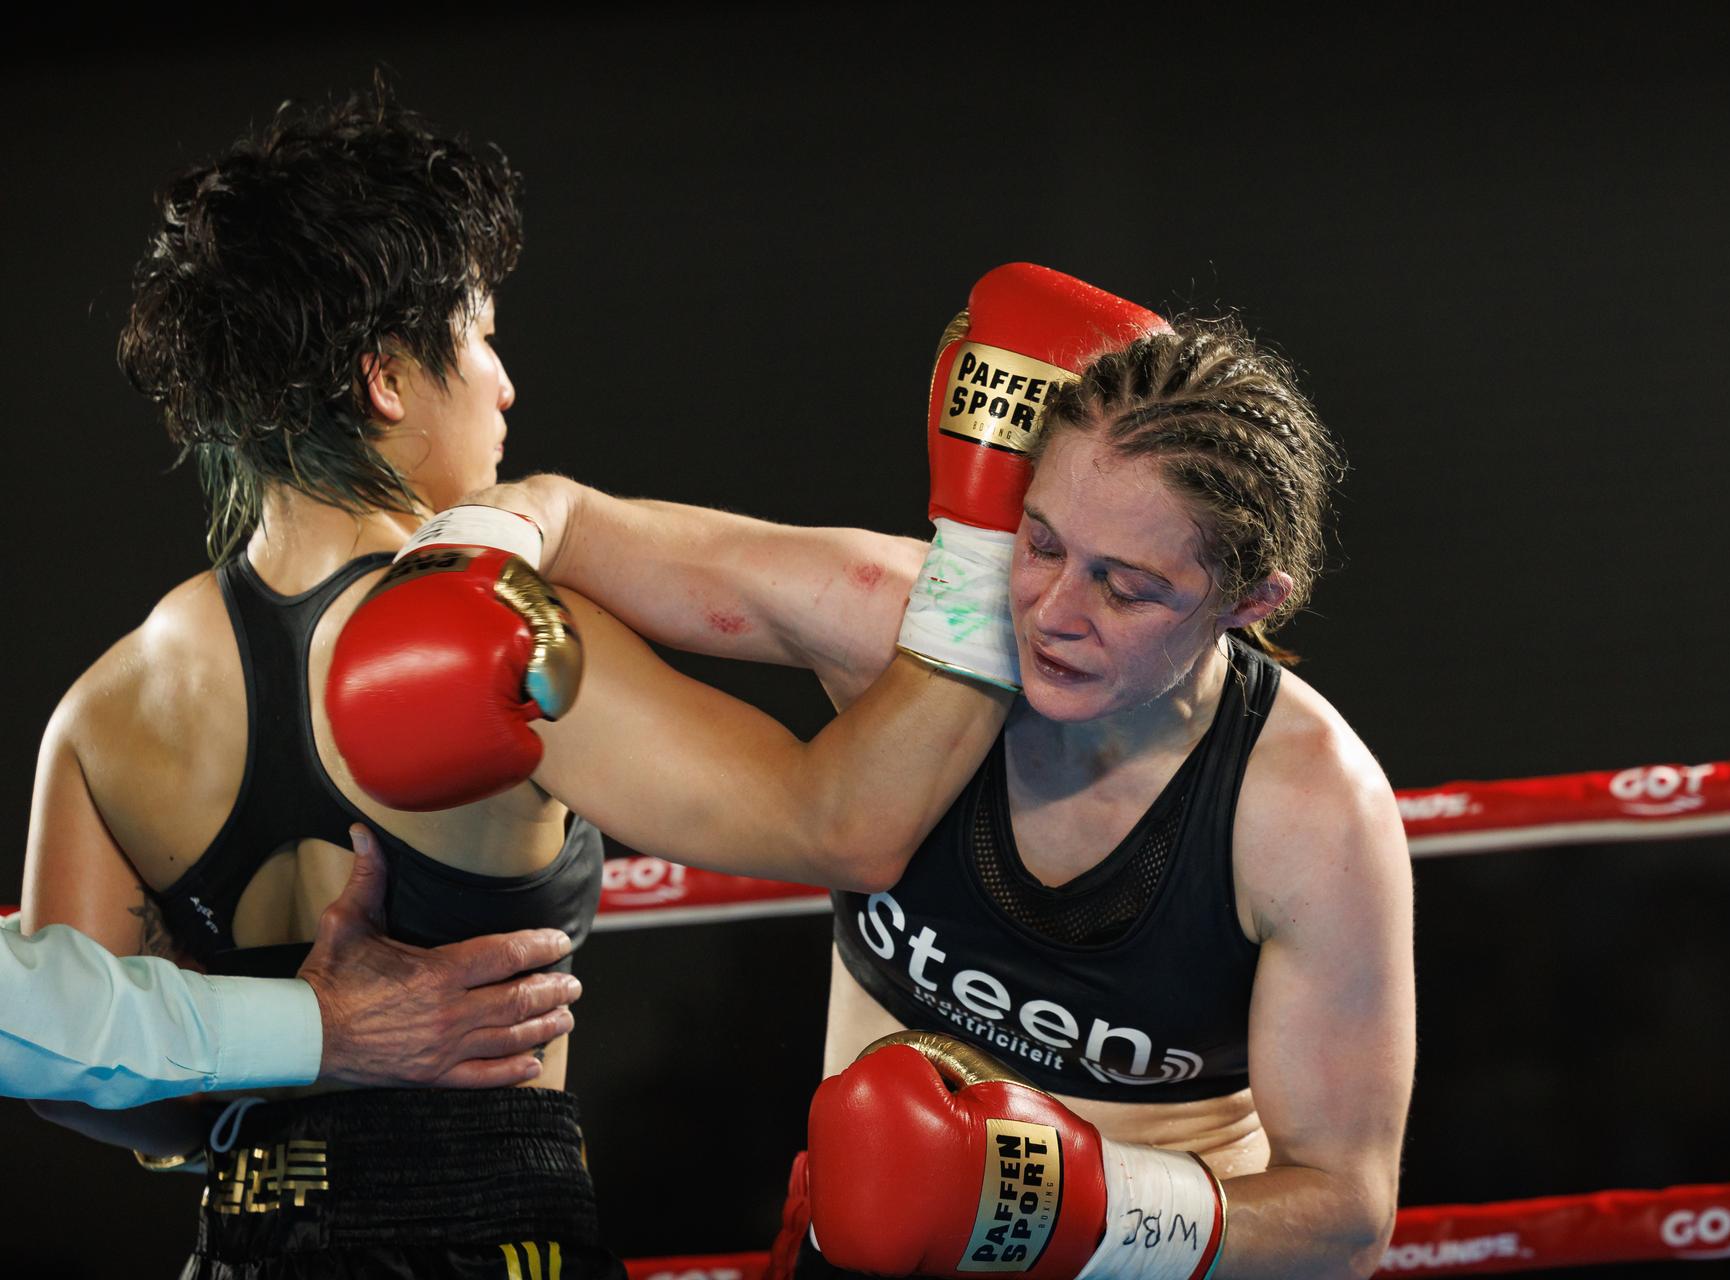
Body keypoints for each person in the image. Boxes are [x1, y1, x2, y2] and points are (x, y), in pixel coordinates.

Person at [22, 85, 1030, 1278]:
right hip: (487, 1232)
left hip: (238, 1238)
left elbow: (91, 1087)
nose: (503, 383)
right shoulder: (485, 626)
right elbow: (848, 822)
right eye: (479, 336)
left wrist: (280, 1080)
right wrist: (994, 545)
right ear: (387, 377)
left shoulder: (99, 709)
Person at [473, 265, 1415, 1279]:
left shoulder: (1308, 812)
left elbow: (1348, 1216)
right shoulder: (904, 625)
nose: (1056, 608)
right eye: (1041, 543)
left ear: (1246, 600)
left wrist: (1091, 1210)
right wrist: (473, 538)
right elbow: (566, 521)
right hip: (865, 1248)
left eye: (1127, 587)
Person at [4, 828, 580, 1107]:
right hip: (486, 1196)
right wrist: (327, 1027)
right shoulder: (523, 645)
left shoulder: (101, 707)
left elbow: (70, 1091)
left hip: (249, 1206)